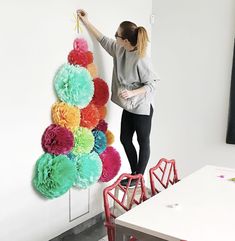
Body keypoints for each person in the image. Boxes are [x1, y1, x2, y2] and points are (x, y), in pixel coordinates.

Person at [77, 9, 159, 186]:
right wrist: (87, 22)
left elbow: (152, 84)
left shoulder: (141, 59)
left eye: (117, 35)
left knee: (143, 142)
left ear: (126, 40)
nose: (115, 37)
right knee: (125, 139)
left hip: (142, 107)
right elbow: (103, 40)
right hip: (129, 106)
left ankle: (138, 177)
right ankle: (135, 174)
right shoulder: (120, 49)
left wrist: (132, 92)